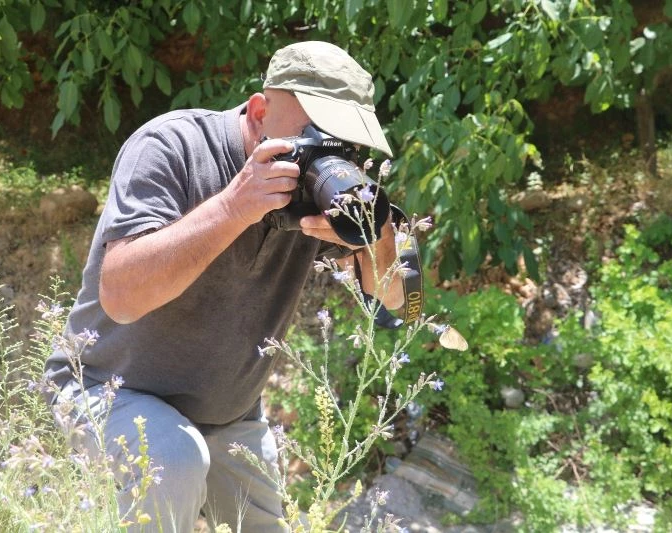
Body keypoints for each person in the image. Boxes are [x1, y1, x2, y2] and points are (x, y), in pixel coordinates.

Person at [43, 41, 404, 532]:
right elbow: (121, 295)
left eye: (345, 147)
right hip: (106, 388)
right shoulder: (171, 146)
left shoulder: (320, 193)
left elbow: (394, 297)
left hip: (228, 415)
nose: (329, 159)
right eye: (315, 140)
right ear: (259, 112)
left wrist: (375, 232)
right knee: (173, 459)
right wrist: (235, 206)